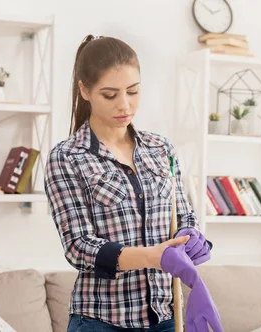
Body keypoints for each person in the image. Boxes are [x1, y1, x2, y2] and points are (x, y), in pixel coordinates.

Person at [44, 34, 213, 332]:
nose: (125, 105)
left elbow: (183, 214)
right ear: (85, 90)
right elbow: (78, 247)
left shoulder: (161, 149)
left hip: (165, 317)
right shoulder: (67, 157)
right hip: (101, 321)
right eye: (110, 95)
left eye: (133, 91)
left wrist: (190, 236)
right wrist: (153, 257)